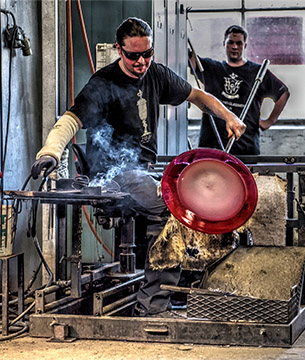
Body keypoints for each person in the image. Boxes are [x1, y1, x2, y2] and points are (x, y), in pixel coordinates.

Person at [29, 17, 245, 317]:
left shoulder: (155, 73)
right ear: (119, 49)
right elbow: (71, 120)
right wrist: (50, 151)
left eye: (148, 54)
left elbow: (198, 97)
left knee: (188, 198)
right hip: (113, 173)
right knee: (171, 207)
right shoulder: (103, 84)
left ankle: (176, 285)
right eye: (133, 56)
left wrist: (229, 117)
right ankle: (153, 306)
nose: (141, 62)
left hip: (143, 169)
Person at [190, 24, 290, 155]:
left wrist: (270, 121)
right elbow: (190, 59)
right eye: (230, 42)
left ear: (245, 45)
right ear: (224, 43)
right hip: (212, 143)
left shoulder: (258, 72)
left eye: (239, 43)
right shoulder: (212, 68)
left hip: (245, 146)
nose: (234, 46)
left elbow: (283, 92)